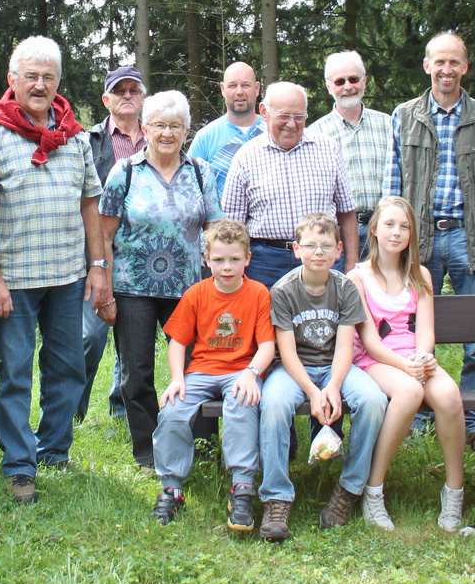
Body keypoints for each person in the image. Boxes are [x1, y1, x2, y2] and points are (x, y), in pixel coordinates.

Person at [0, 36, 110, 506]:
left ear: (57, 83)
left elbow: (90, 203)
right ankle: (18, 466)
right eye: (30, 76)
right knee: (15, 372)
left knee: (68, 368)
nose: (39, 84)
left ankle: (54, 450)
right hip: (14, 282)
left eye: (48, 77)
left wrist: (97, 268)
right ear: (12, 81)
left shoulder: (75, 137)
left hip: (68, 277)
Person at [382, 32, 475, 453]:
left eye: (454, 62)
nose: (446, 69)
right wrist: (392, 243)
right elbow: (393, 183)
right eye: (439, 62)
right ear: (427, 65)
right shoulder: (405, 116)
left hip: (469, 238)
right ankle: (419, 416)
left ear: (465, 67)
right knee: (409, 332)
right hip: (417, 240)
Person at [99, 90, 222, 468]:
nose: (167, 133)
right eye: (159, 125)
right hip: (132, 288)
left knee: (195, 370)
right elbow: (104, 234)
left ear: (187, 130)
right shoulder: (126, 171)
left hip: (189, 290)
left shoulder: (201, 171)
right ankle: (150, 452)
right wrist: (104, 287)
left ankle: (198, 446)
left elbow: (215, 229)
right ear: (145, 128)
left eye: (175, 126)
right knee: (136, 373)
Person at [256, 213, 389, 540]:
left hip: (335, 366)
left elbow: (345, 347)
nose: (318, 252)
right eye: (310, 246)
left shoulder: (345, 288)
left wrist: (330, 386)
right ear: (296, 249)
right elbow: (286, 352)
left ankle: (349, 488)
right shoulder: (283, 290)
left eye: (326, 246)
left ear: (339, 250)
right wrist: (313, 393)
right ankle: (276, 496)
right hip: (293, 368)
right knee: (273, 405)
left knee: (373, 400)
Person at [349, 196, 467, 532]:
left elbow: (425, 331)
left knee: (448, 396)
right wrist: (405, 366)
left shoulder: (422, 275)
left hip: (415, 357)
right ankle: (373, 490)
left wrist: (422, 357)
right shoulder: (358, 277)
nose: (396, 233)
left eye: (404, 226)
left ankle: (454, 492)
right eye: (389, 224)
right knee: (409, 393)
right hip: (377, 360)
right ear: (373, 230)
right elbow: (369, 341)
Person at [150, 219, 276, 531]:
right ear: (206, 260)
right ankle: (172, 488)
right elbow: (178, 342)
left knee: (242, 404)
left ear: (247, 258)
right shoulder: (196, 294)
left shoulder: (259, 293)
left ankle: (242, 486)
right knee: (173, 410)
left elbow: (268, 347)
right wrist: (177, 378)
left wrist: (251, 373)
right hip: (201, 372)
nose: (227, 267)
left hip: (240, 371)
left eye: (235, 259)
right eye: (218, 260)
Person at [221, 81, 358, 287]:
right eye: (284, 116)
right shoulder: (245, 157)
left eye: (299, 117)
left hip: (321, 257)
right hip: (265, 263)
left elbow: (347, 213)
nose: (292, 124)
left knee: (324, 319)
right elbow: (233, 227)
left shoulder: (328, 149)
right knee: (268, 320)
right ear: (264, 112)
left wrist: (351, 266)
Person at [81, 65, 148, 422]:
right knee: (89, 337)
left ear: (144, 99)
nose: (126, 96)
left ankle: (121, 409)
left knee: (131, 337)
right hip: (97, 252)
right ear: (106, 99)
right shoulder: (88, 142)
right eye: (118, 91)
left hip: (143, 256)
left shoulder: (159, 138)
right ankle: (73, 410)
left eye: (133, 90)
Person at [310, 50, 394, 258]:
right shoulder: (315, 134)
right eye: (340, 81)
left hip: (383, 230)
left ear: (364, 82)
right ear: (329, 87)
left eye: (354, 79)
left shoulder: (389, 125)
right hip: (338, 233)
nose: (348, 87)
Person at [186, 61, 265, 198]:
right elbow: (189, 189)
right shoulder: (205, 138)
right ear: (223, 89)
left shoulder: (272, 131)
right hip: (222, 219)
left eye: (245, 85)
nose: (239, 92)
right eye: (232, 86)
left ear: (257, 88)